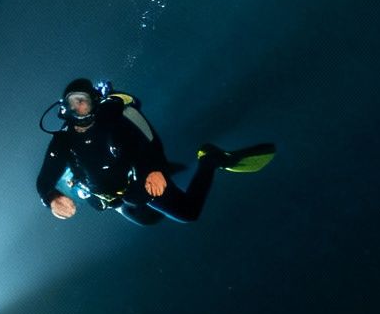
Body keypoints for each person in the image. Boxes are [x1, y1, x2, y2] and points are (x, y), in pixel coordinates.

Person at [35, 78, 273, 226]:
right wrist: (52, 198)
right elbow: (45, 179)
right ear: (63, 108)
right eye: (71, 102)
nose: (77, 107)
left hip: (138, 182)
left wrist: (154, 170)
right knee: (149, 220)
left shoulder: (113, 121)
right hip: (112, 199)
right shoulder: (63, 141)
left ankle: (209, 160)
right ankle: (168, 176)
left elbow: (144, 143)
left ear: (94, 102)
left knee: (188, 213)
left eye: (82, 100)